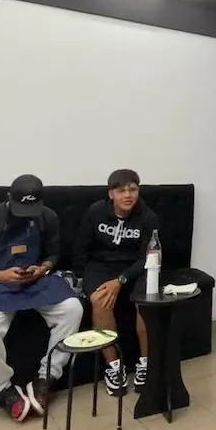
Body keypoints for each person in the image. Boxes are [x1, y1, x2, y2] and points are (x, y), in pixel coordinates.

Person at [0, 174, 83, 422]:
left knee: (73, 309)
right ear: (9, 198)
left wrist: (43, 268)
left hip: (35, 281)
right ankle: (2, 389)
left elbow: (53, 254)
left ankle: (47, 376)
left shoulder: (48, 217)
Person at [72, 168, 160, 396]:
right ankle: (113, 367)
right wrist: (82, 279)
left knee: (146, 304)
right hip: (101, 266)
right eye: (121, 191)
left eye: (133, 189)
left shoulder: (148, 217)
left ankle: (145, 364)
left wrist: (121, 280)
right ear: (111, 194)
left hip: (135, 268)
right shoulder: (96, 212)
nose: (128, 195)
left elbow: (147, 257)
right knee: (100, 300)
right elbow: (82, 247)